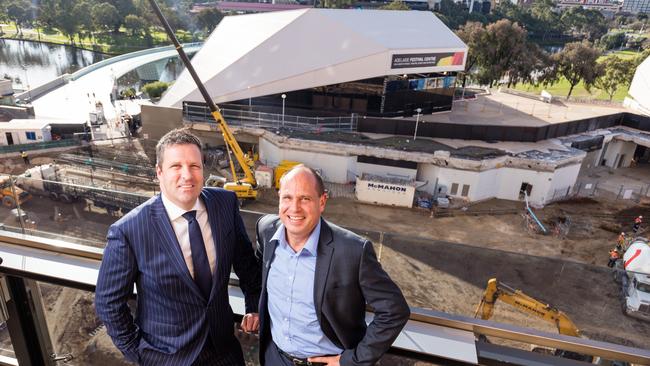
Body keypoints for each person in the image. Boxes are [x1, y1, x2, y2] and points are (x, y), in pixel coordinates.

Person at [95, 128, 262, 365]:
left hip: (225, 351)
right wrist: (139, 354)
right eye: (176, 166)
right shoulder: (129, 230)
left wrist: (253, 307)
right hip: (167, 358)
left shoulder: (224, 204)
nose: (187, 175)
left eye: (194, 166)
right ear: (159, 173)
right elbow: (108, 303)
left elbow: (247, 266)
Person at [255, 165, 410, 366]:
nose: (294, 208)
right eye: (287, 197)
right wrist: (254, 308)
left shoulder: (353, 251)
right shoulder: (265, 229)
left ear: (322, 202)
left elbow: (395, 310)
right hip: (275, 358)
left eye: (305, 198)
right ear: (279, 198)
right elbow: (257, 272)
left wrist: (352, 361)